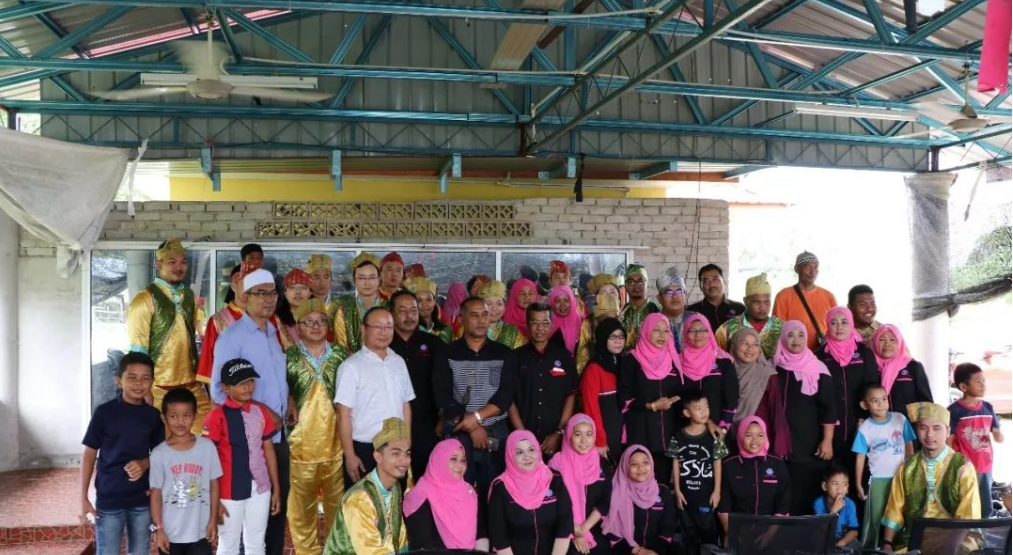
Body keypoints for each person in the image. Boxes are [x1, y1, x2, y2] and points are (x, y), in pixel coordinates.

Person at [210, 269, 290, 555]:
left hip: (277, 436)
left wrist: (288, 400)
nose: (268, 299)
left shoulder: (273, 332)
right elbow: (219, 390)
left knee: (275, 508)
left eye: (273, 293)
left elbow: (275, 379)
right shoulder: (232, 337)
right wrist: (264, 411)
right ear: (245, 297)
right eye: (261, 293)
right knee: (243, 515)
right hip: (246, 441)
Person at [433, 296, 517, 507]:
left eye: (485, 315)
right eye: (475, 315)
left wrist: (477, 418)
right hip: (458, 428)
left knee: (495, 493)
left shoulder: (504, 353)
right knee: (458, 490)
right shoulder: (446, 353)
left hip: (495, 430)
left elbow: (505, 396)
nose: (481, 321)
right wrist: (472, 426)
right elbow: (444, 396)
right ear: (461, 319)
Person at [80, 352, 165, 555]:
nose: (139, 383)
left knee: (140, 551)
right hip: (109, 498)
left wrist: (145, 463)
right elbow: (89, 454)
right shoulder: (104, 413)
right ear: (118, 380)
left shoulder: (153, 416)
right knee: (107, 550)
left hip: (141, 499)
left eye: (145, 378)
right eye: (132, 377)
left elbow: (162, 454)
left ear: (152, 381)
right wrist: (83, 497)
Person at [127, 238, 211, 433]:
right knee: (163, 445)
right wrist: (143, 390)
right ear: (158, 265)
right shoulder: (144, 299)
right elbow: (138, 351)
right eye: (172, 262)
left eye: (183, 262)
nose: (178, 267)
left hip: (192, 387)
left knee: (206, 436)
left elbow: (199, 335)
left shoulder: (189, 296)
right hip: (159, 391)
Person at [284, 299, 347, 555]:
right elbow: (280, 392)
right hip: (300, 447)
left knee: (338, 508)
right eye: (308, 322)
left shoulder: (342, 355)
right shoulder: (288, 357)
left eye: (321, 321)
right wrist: (288, 397)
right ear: (298, 327)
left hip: (336, 445)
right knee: (301, 511)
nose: (315, 326)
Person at [202, 358, 282, 555]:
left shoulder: (260, 411)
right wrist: (213, 500)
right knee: (228, 545)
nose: (248, 387)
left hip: (261, 487)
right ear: (225, 387)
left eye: (250, 381)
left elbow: (269, 451)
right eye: (240, 383)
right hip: (227, 490)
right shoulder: (216, 417)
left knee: (257, 544)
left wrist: (276, 488)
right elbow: (207, 460)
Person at [880, 402, 981, 553]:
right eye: (923, 427)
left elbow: (968, 516)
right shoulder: (907, 467)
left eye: (936, 428)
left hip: (954, 539)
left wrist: (948, 548)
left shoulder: (963, 467)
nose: (929, 434)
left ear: (948, 431)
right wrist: (887, 543)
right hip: (914, 539)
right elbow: (894, 508)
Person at [759, 320, 835, 516]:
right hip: (775, 440)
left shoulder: (818, 369)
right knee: (778, 489)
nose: (796, 340)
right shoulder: (772, 366)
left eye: (801, 335)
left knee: (804, 491)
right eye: (791, 335)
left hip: (808, 443)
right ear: (783, 338)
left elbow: (829, 408)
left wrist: (827, 440)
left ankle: (804, 532)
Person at [334, 306, 415, 488]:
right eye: (377, 327)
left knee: (394, 500)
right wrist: (350, 455)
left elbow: (405, 405)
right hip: (365, 448)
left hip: (396, 446)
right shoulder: (351, 366)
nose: (384, 332)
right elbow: (343, 414)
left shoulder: (398, 362)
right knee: (364, 501)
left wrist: (407, 442)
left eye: (388, 327)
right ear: (364, 329)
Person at [149, 388, 222, 555]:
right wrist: (159, 528)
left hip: (200, 531)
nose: (180, 422)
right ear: (164, 417)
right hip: (170, 534)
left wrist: (212, 520)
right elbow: (156, 493)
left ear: (195, 416)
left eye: (186, 415)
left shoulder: (207, 448)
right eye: (174, 416)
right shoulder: (159, 454)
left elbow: (214, 485)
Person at [323, 417, 411, 555]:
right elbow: (369, 550)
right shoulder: (360, 499)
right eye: (396, 453)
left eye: (407, 454)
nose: (404, 460)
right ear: (378, 457)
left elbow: (400, 536)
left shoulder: (395, 487)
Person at [619, 313, 682, 485]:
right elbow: (624, 399)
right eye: (656, 330)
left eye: (666, 331)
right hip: (641, 433)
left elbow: (681, 392)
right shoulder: (631, 360)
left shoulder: (673, 359)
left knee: (662, 485)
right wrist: (652, 405)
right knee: (638, 483)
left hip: (668, 435)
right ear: (646, 331)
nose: (662, 335)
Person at [389, 290, 446, 481]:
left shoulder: (434, 344)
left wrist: (442, 419)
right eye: (403, 311)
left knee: (428, 479)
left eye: (413, 310)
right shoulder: (384, 345)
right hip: (391, 425)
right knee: (393, 480)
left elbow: (446, 384)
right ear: (392, 314)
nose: (410, 316)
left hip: (427, 425)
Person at [488, 430, 573, 555]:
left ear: (538, 450)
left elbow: (565, 524)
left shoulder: (554, 479)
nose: (527, 456)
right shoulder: (500, 487)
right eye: (519, 452)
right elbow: (499, 537)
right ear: (510, 455)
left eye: (531, 450)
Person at [851, 384, 916, 550]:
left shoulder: (900, 419)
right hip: (878, 480)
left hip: (900, 477)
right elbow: (860, 457)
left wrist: (909, 471)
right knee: (874, 516)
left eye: (884, 399)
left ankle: (899, 547)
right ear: (864, 405)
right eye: (875, 401)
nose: (881, 404)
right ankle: (869, 548)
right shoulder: (865, 428)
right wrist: (858, 484)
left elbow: (909, 446)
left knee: (900, 513)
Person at [510, 302, 578, 457]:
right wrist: (523, 436)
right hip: (522, 438)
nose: (540, 328)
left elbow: (570, 396)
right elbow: (509, 400)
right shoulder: (515, 357)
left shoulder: (565, 358)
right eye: (535, 323)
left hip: (554, 439)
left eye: (545, 323)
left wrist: (559, 433)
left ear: (552, 324)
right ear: (527, 325)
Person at [816, 307, 878, 472]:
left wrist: (866, 417)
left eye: (844, 322)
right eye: (834, 323)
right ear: (827, 325)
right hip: (829, 431)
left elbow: (872, 389)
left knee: (860, 475)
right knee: (832, 478)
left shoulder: (864, 353)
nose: (839, 327)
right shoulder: (819, 356)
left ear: (851, 324)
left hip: (860, 426)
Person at [547, 415, 612, 555]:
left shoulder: (602, 463)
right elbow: (553, 504)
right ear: (569, 435)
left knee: (603, 549)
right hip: (565, 526)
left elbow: (606, 500)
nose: (584, 440)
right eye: (578, 434)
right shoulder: (556, 464)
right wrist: (574, 531)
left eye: (589, 434)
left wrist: (583, 529)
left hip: (593, 525)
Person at [403, 438, 483, 551]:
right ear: (439, 460)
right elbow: (423, 545)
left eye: (463, 460)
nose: (459, 465)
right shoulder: (421, 495)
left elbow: (481, 533)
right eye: (453, 459)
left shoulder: (468, 492)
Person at [668, 390, 722, 553]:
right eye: (698, 408)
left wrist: (717, 491)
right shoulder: (678, 436)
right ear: (687, 413)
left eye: (706, 407)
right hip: (685, 496)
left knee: (708, 532)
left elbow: (718, 463)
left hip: (706, 495)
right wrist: (677, 491)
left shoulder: (714, 436)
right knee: (688, 534)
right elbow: (675, 464)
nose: (704, 412)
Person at [717, 416, 791, 537]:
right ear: (740, 436)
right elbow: (724, 503)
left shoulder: (777, 463)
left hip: (771, 528)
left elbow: (784, 500)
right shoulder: (729, 465)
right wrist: (731, 533)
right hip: (738, 529)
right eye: (749, 435)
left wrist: (771, 533)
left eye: (760, 435)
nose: (755, 440)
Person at [948, 363, 1004, 518]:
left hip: (985, 463)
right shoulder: (954, 410)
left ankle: (984, 530)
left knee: (985, 503)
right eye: (978, 382)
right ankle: (965, 531)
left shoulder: (988, 407)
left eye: (984, 381)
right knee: (964, 502)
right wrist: (950, 463)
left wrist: (998, 435)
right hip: (964, 466)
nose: (983, 385)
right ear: (963, 387)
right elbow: (949, 439)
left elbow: (999, 437)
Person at [602, 446, 676, 555]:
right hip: (625, 551)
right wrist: (639, 552)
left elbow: (668, 528)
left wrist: (653, 552)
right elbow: (611, 531)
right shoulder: (616, 493)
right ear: (625, 467)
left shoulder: (663, 492)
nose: (641, 468)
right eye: (634, 464)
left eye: (646, 462)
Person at [680, 314, 739, 430]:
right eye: (692, 330)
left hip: (716, 429)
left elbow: (731, 399)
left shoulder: (723, 361)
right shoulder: (677, 362)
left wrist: (723, 429)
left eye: (703, 330)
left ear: (709, 332)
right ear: (685, 333)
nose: (698, 334)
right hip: (684, 429)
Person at [580, 318, 626, 461]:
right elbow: (590, 407)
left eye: (621, 336)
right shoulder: (594, 368)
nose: (618, 341)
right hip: (606, 435)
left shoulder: (625, 363)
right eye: (612, 337)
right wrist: (600, 440)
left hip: (623, 433)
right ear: (603, 338)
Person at [197, 263, 249, 387]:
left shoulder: (268, 319)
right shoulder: (217, 321)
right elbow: (208, 364)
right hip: (229, 388)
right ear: (234, 285)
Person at [773, 251, 837, 350]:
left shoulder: (829, 296)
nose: (812, 272)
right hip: (794, 354)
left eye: (815, 267)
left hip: (823, 353)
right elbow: (777, 331)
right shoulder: (783, 296)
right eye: (807, 267)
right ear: (796, 269)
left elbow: (836, 328)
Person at [715, 273, 783, 359]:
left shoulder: (781, 328)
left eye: (767, 302)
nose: (762, 307)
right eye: (757, 302)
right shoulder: (726, 330)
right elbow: (717, 359)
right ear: (746, 301)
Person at [871, 325, 932, 412]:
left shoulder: (913, 366)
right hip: (878, 420)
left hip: (908, 420)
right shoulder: (870, 367)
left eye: (892, 340)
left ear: (900, 342)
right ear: (875, 342)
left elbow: (926, 401)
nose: (887, 344)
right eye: (882, 339)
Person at [331, 252, 383, 353]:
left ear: (379, 280)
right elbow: (342, 349)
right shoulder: (344, 310)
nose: (367, 282)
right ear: (354, 281)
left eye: (372, 277)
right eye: (362, 278)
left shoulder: (389, 308)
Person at [727, 328, 778, 426]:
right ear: (735, 345)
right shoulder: (723, 373)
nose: (750, 349)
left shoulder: (768, 375)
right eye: (745, 343)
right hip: (725, 431)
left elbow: (776, 414)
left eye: (755, 344)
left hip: (758, 433)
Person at [813, 465, 860, 552]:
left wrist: (841, 543)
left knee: (855, 546)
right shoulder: (819, 503)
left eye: (844, 484)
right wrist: (833, 511)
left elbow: (854, 531)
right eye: (835, 484)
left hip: (845, 539)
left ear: (847, 488)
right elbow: (822, 529)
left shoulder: (850, 504)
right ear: (825, 486)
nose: (840, 489)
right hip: (826, 537)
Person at [687, 264, 746, 333]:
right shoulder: (691, 312)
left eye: (715, 280)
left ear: (724, 282)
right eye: (706, 281)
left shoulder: (740, 309)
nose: (711, 285)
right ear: (701, 286)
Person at [477, 279, 527, 348]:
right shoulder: (469, 330)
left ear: (504, 307)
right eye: (488, 304)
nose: (494, 308)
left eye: (499, 304)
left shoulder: (512, 332)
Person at [620, 264, 660, 349]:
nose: (636, 286)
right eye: (631, 282)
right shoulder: (621, 314)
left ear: (647, 285)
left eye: (640, 281)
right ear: (625, 286)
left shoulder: (657, 311)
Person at [404, 275, 454, 343]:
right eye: (419, 300)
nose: (425, 304)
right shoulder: (407, 331)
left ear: (434, 301)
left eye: (428, 299)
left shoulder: (447, 330)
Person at [655, 268, 694, 352]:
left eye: (679, 291)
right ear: (659, 298)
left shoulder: (696, 321)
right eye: (669, 292)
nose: (675, 296)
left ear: (685, 295)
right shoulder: (652, 324)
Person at [276, 268, 312, 344]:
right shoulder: (276, 320)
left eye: (303, 288)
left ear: (310, 293)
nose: (298, 292)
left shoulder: (321, 318)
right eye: (292, 288)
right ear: (285, 292)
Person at [548, 285, 583, 357]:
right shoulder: (546, 323)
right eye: (558, 301)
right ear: (552, 303)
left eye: (566, 300)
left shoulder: (581, 322)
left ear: (572, 302)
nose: (562, 305)